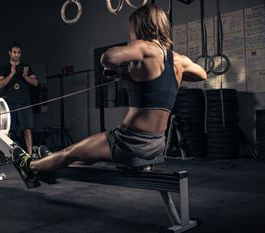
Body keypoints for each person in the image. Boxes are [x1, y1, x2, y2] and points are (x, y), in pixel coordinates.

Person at [12, 3, 207, 185]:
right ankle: (48, 162)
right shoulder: (179, 60)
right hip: (157, 143)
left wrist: (119, 71)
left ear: (141, 26)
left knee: (71, 152)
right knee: (84, 158)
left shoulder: (144, 47)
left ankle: (29, 165)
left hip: (129, 140)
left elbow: (108, 57)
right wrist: (154, 77)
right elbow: (202, 74)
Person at [0, 42, 38, 155]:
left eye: (19, 53)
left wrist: (25, 76)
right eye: (14, 52)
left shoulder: (26, 67)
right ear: (10, 53)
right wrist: (11, 74)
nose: (17, 55)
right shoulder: (4, 68)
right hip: (10, 103)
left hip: (25, 102)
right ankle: (8, 155)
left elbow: (35, 83)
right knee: (8, 130)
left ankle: (29, 155)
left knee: (27, 129)